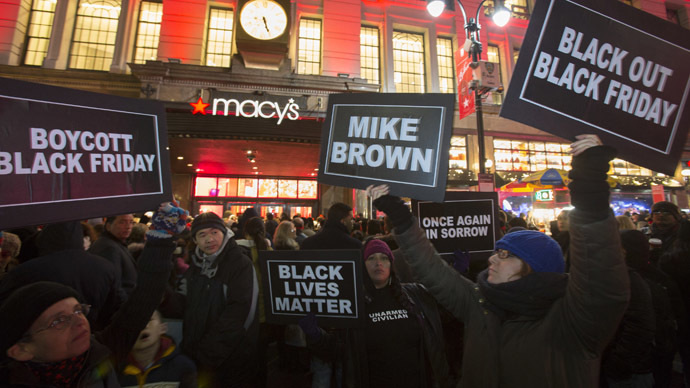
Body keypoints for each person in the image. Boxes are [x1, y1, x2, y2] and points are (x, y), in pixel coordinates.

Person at [367, 134, 630, 387]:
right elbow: (431, 270)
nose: (493, 258)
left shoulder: (574, 320)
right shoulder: (481, 303)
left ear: (533, 268)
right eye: (496, 251)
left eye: (505, 255)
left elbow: (600, 272)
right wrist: (399, 214)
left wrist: (590, 184)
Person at [0, 202, 186, 387]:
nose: (80, 322)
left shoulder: (100, 351)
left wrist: (161, 240)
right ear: (20, 349)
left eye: (79, 310)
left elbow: (144, 299)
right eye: (59, 321)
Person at [299, 239, 449, 387]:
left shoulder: (415, 294)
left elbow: (447, 313)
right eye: (371, 258)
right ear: (363, 266)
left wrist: (460, 273)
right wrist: (315, 335)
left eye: (384, 258)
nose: (379, 263)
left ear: (391, 264)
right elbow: (338, 351)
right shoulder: (353, 303)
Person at [162, 211, 260, 388]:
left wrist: (208, 353)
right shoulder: (195, 266)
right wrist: (165, 296)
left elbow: (240, 313)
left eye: (214, 232)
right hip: (199, 357)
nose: (209, 239)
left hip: (231, 359)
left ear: (224, 233)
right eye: (202, 234)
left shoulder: (240, 263)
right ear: (195, 240)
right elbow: (185, 306)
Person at [0, 221, 124, 331]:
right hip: (90, 337)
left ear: (45, 237)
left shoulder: (25, 272)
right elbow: (114, 305)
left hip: (44, 344)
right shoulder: (105, 267)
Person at [300, 202, 362, 388]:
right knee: (345, 369)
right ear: (343, 220)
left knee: (321, 368)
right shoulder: (354, 245)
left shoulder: (309, 244)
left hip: (317, 314)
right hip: (346, 315)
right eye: (351, 219)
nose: (353, 222)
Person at [648, 200, 690, 385]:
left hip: (683, 299)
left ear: (676, 216)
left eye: (666, 212)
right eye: (657, 212)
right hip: (661, 302)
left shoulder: (685, 237)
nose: (661, 215)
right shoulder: (649, 237)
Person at [117, 310, 197, 388]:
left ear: (163, 328)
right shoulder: (114, 370)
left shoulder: (183, 366)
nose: (143, 326)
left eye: (149, 320)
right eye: (133, 322)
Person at [89, 214, 137, 299]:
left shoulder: (116, 243)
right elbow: (114, 285)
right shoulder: (109, 248)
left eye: (131, 222)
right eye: (122, 222)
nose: (128, 227)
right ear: (108, 226)